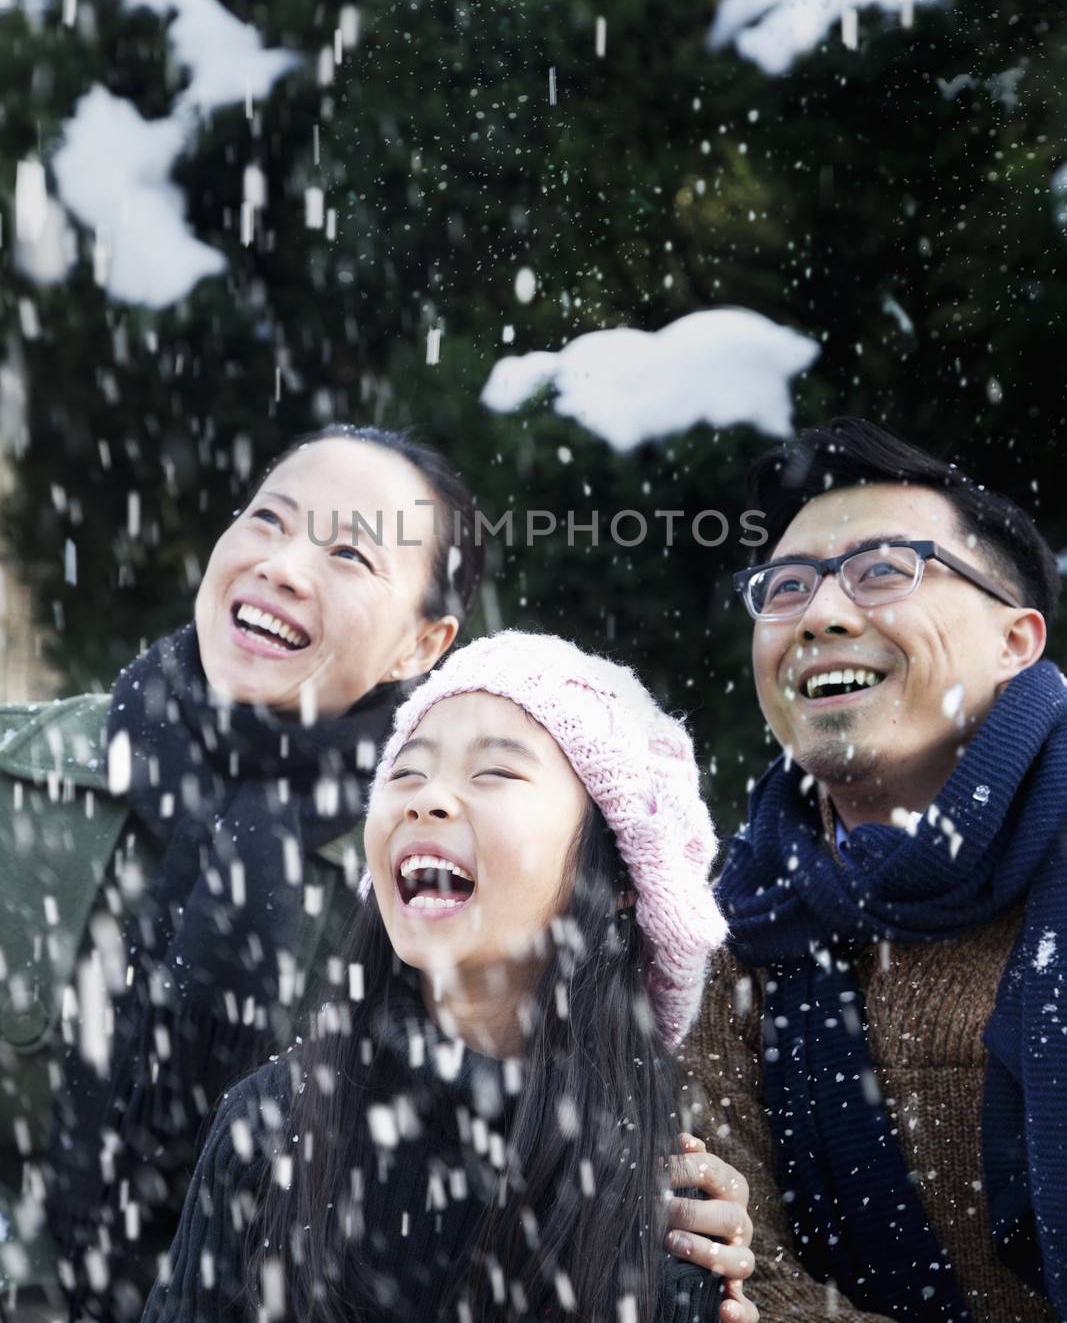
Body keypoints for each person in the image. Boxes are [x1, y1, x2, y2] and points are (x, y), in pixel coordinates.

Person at [1, 425, 483, 1320]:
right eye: (268, 520)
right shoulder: (18, 781)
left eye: (348, 552)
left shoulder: (436, 879)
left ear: (422, 644)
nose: (284, 566)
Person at [141, 631, 754, 1322]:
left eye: (493, 773)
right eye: (405, 771)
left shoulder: (664, 1202)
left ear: (619, 876)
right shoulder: (273, 1126)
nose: (425, 799)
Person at [682, 416, 1065, 1321]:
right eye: (783, 587)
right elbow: (736, 1281)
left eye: (883, 571)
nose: (820, 615)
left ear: (1016, 640)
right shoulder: (725, 932)